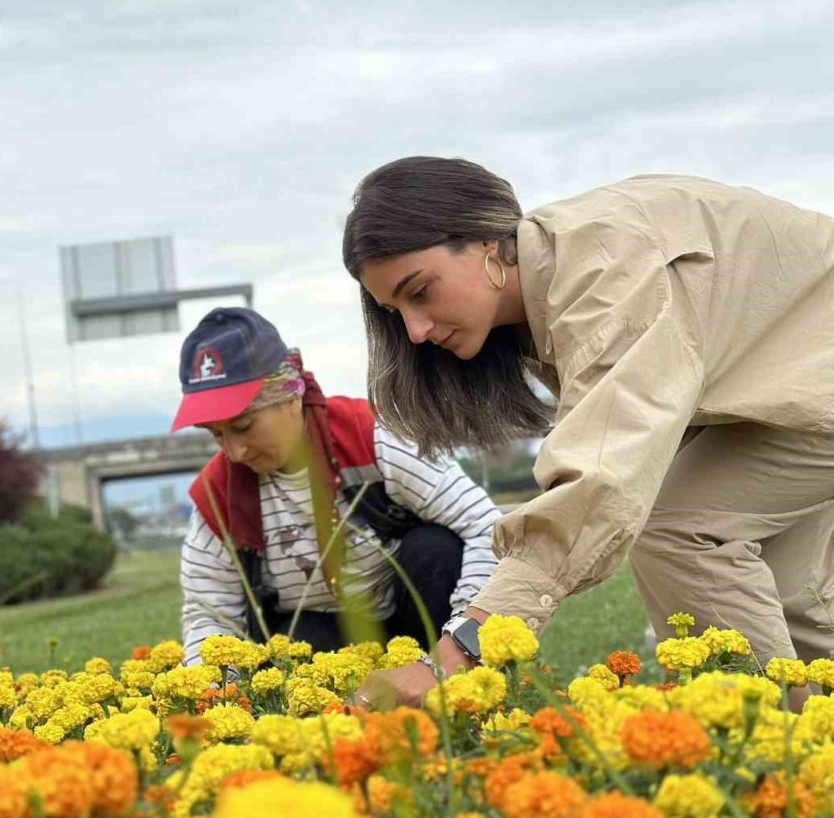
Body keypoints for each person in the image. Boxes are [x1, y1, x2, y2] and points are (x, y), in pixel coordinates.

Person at [341, 157, 834, 709]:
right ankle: (807, 749)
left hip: (809, 388)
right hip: (791, 399)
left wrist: (461, 651)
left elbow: (601, 484)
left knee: (680, 529)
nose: (414, 331)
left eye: (420, 292)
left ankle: (762, 747)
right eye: (395, 312)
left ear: (484, 242)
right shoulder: (559, 280)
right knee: (798, 608)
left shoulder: (607, 276)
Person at [171, 306, 501, 667]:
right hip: (316, 642)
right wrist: (215, 691)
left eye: (244, 426)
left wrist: (462, 640)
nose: (235, 452)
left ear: (291, 396)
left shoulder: (371, 437)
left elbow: (487, 527)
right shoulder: (216, 495)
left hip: (416, 625)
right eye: (217, 434)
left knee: (435, 550)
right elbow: (209, 613)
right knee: (296, 639)